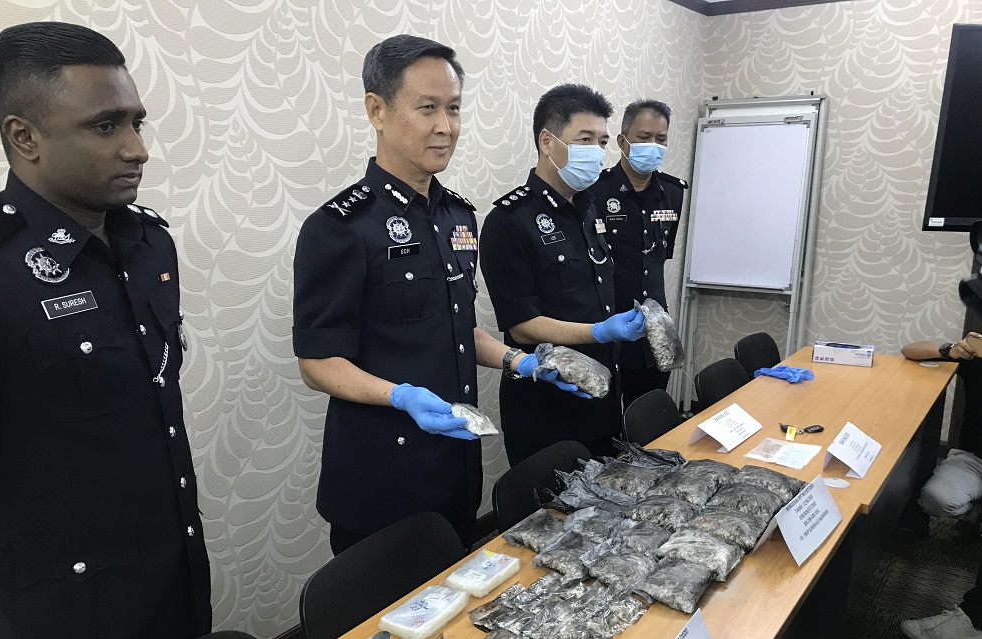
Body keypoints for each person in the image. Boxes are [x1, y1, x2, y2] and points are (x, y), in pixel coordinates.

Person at [0, 22, 211, 639]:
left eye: (137, 122)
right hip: (64, 623)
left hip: (176, 578)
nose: (137, 148)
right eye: (105, 126)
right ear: (25, 136)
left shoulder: (148, 245)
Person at [293, 35, 582, 555]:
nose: (445, 126)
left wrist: (524, 363)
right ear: (376, 110)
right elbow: (317, 363)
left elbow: (456, 325)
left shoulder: (457, 216)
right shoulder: (340, 228)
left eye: (453, 109)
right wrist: (399, 395)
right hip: (382, 478)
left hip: (454, 466)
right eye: (427, 108)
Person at [478, 84, 647, 466]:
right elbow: (522, 326)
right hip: (548, 405)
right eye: (584, 139)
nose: (596, 152)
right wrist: (600, 331)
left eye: (602, 142)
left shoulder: (590, 209)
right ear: (546, 141)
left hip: (604, 395)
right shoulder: (509, 221)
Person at [589, 100, 688, 409]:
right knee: (604, 427)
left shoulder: (672, 193)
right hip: (609, 328)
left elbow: (658, 257)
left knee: (648, 423)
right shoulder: (595, 191)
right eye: (644, 137)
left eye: (661, 140)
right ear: (622, 141)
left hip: (655, 332)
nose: (653, 146)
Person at [901, 335, 982, 531]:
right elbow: (910, 350)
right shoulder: (980, 358)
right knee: (935, 499)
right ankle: (976, 517)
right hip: (974, 459)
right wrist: (949, 349)